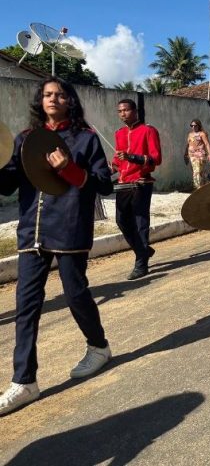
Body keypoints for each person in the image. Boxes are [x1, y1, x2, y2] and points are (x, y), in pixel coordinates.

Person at [0, 77, 114, 416]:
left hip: (69, 227)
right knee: (26, 305)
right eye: (48, 94)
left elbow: (103, 184)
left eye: (60, 94)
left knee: (75, 293)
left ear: (70, 101)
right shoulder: (25, 139)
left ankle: (98, 346)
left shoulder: (86, 139)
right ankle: (24, 382)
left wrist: (68, 168)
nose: (53, 98)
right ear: (41, 100)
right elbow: (7, 185)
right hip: (31, 232)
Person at [112, 98, 162, 280]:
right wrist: (110, 168)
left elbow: (156, 158)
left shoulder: (149, 130)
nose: (122, 114)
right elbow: (117, 160)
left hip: (141, 182)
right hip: (123, 183)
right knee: (121, 220)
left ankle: (141, 263)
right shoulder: (119, 133)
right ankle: (143, 250)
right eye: (119, 111)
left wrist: (132, 157)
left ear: (135, 111)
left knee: (140, 222)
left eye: (125, 110)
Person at [183, 119, 210, 189]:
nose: (193, 127)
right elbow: (188, 144)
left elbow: (207, 144)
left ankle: (199, 186)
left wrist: (209, 154)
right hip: (192, 155)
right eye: (191, 125)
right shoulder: (190, 134)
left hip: (200, 154)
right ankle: (199, 186)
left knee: (199, 171)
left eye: (195, 125)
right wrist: (185, 154)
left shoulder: (202, 134)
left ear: (198, 126)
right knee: (195, 171)